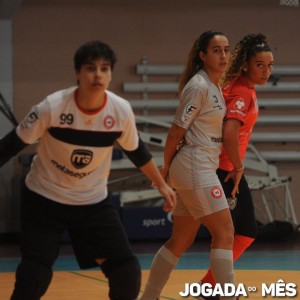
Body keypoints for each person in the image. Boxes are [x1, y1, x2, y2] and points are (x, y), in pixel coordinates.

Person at [0, 40, 176, 300]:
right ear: (77, 73)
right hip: (44, 198)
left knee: (125, 270)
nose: (98, 74)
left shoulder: (120, 111)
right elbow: (10, 144)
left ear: (111, 74)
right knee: (35, 271)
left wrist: (161, 184)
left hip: (91, 201)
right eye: (91, 68)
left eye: (104, 69)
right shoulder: (52, 106)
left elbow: (136, 150)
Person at [139, 31, 236, 300]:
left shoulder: (214, 85)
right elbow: (175, 132)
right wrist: (165, 168)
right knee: (225, 233)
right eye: (216, 50)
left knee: (180, 240)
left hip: (195, 167)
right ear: (202, 55)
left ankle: (148, 297)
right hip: (195, 167)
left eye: (226, 50)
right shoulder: (199, 86)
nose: (224, 55)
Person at [198, 33, 274, 300]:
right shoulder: (241, 92)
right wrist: (239, 167)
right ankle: (210, 288)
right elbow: (230, 132)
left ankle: (209, 287)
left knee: (234, 233)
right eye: (260, 65)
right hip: (225, 170)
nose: (266, 71)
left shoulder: (238, 85)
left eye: (270, 65)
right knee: (236, 233)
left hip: (219, 168)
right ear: (245, 64)